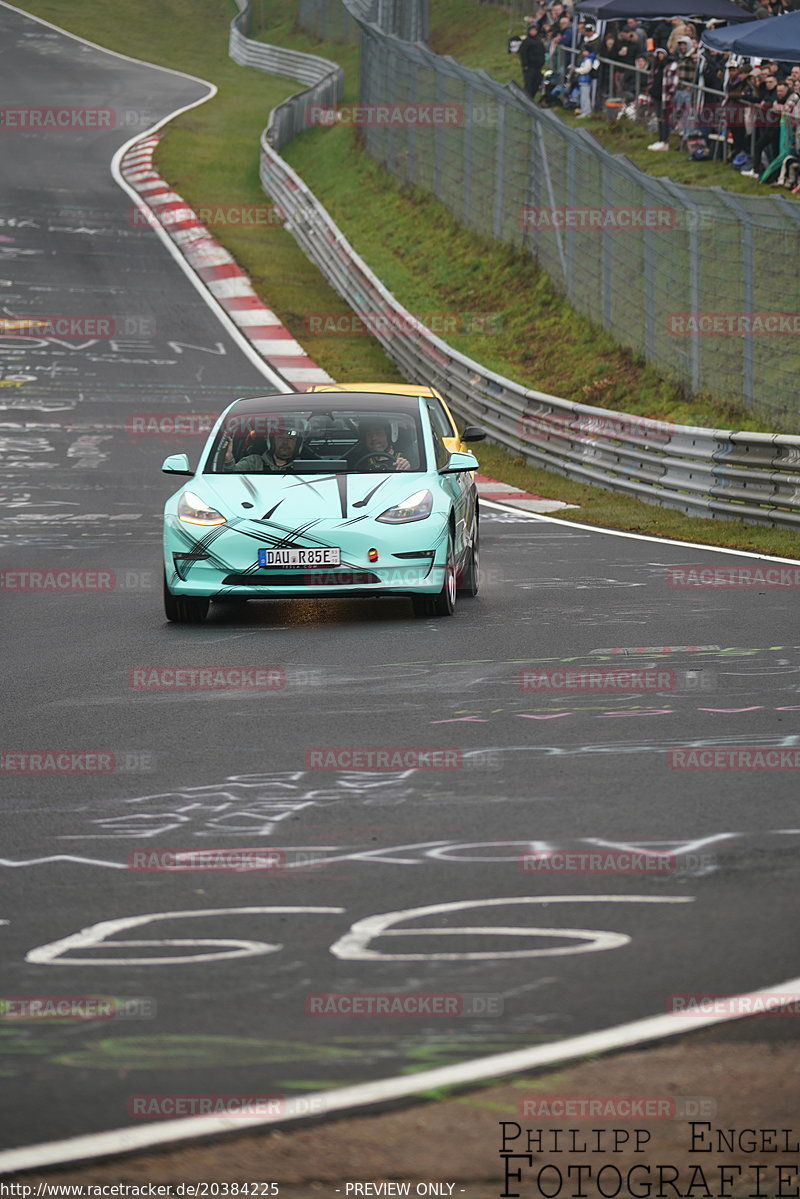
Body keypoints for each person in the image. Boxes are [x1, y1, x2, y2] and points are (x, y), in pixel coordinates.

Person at [222, 420, 309, 472]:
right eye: (280, 437)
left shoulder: (306, 467)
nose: (285, 442)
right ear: (271, 441)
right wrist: (228, 459)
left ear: (298, 444)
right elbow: (231, 476)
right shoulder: (253, 462)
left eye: (290, 439)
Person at [519, 23, 546, 100]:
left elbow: (542, 52)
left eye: (535, 30)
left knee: (536, 84)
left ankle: (531, 99)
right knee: (529, 84)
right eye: (532, 30)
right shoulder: (526, 42)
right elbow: (523, 53)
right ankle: (526, 99)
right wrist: (525, 64)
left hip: (538, 67)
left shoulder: (539, 41)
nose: (533, 32)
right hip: (530, 67)